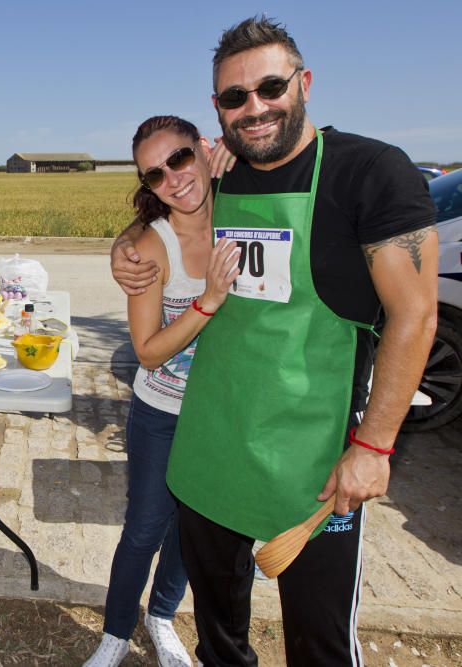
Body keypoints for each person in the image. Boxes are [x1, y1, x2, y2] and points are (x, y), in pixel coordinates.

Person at [110, 16, 438, 666]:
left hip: (313, 466)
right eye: (235, 98)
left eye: (269, 87)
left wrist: (373, 446)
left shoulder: (368, 172)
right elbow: (171, 208)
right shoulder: (223, 174)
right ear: (218, 111)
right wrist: (127, 246)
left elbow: (416, 314)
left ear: (304, 82)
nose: (254, 107)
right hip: (211, 450)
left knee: (318, 644)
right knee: (221, 634)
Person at [84, 116, 239, 667]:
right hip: (163, 413)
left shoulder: (244, 210)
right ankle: (115, 634)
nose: (173, 178)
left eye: (180, 158)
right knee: (146, 526)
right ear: (148, 186)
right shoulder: (149, 246)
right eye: (155, 173)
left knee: (193, 528)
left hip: (223, 416)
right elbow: (147, 351)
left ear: (204, 150)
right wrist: (209, 300)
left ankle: (161, 616)